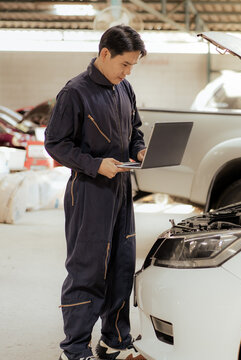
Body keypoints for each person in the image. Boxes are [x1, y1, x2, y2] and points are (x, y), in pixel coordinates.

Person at [45, 25, 148, 360]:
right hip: (89, 190)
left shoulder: (125, 89)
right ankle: (74, 350)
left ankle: (114, 341)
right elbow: (56, 144)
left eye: (133, 66)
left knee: (121, 265)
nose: (128, 71)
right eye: (125, 64)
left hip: (121, 187)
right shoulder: (75, 92)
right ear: (105, 54)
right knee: (87, 270)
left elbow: (134, 129)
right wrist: (94, 165)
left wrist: (140, 150)